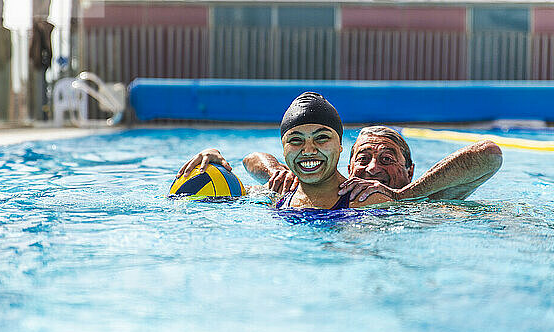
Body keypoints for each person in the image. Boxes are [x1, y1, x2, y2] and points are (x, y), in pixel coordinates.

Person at [177, 92, 391, 209]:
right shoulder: (278, 192)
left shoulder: (367, 201)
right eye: (296, 140)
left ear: (340, 145)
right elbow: (249, 161)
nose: (308, 150)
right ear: (283, 148)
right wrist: (215, 162)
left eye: (322, 138)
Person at [241, 125, 503, 202]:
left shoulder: (426, 200)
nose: (372, 168)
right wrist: (277, 172)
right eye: (363, 159)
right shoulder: (312, 190)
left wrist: (401, 196)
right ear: (348, 168)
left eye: (387, 159)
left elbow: (489, 153)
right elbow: (250, 158)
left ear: (410, 171)